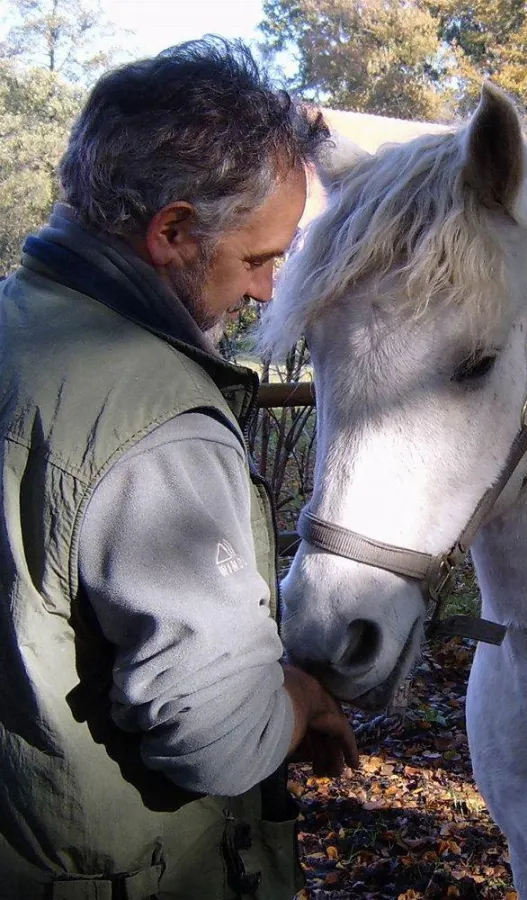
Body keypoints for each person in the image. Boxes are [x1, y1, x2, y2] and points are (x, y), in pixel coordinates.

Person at [0, 37, 358, 900]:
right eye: (260, 258)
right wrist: (299, 698)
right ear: (173, 231)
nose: (270, 291)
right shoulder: (157, 422)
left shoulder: (18, 328)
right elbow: (217, 739)